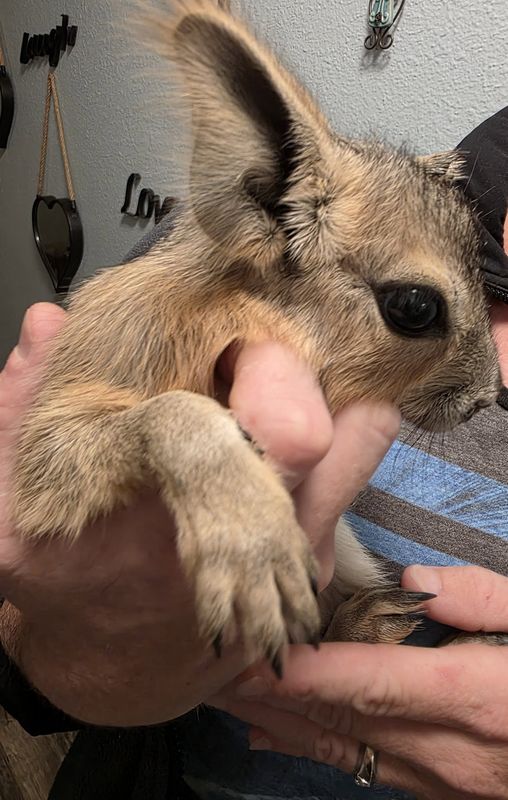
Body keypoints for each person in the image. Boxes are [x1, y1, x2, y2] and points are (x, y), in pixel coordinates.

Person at [0, 106, 506, 800]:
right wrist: (83, 656)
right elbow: (36, 546)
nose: (489, 392)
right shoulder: (294, 234)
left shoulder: (424, 211)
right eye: (415, 312)